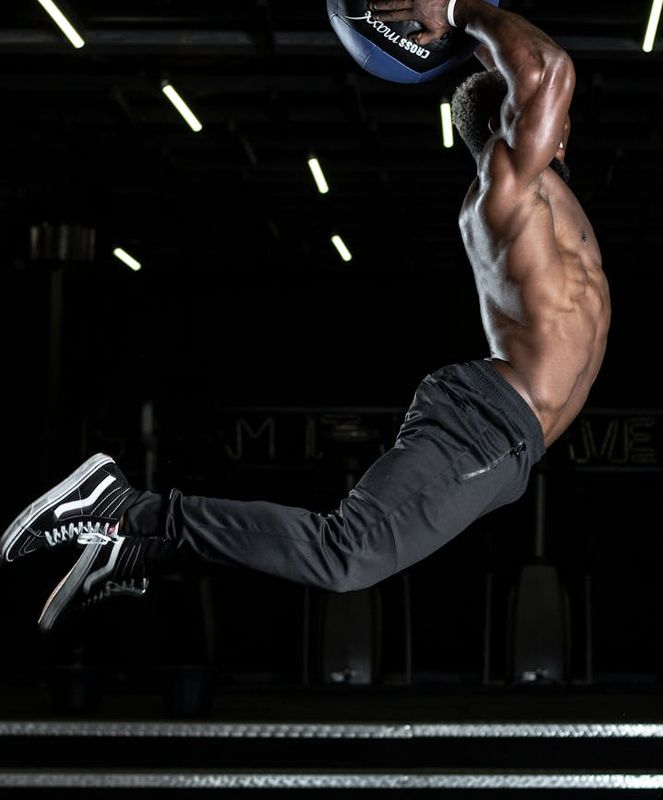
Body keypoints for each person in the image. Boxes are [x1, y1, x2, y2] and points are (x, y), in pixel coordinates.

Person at [1, 0, 610, 632]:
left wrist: (457, 35)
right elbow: (545, 68)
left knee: (349, 554)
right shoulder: (509, 189)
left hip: (512, 445)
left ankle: (142, 546)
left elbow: (518, 70)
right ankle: (127, 509)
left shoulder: (548, 186)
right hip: (488, 421)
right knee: (346, 555)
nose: (561, 112)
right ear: (512, 123)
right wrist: (454, 8)